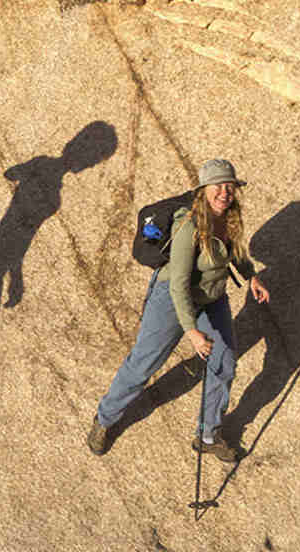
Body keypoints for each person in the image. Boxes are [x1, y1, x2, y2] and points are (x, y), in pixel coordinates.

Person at [88, 159, 271, 462]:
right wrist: (192, 332)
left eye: (230, 187)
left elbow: (234, 252)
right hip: (171, 298)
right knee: (144, 363)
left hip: (212, 298)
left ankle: (208, 434)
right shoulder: (189, 225)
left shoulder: (230, 217)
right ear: (203, 190)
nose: (225, 193)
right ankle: (105, 419)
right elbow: (179, 285)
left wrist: (251, 275)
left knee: (224, 361)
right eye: (218, 187)